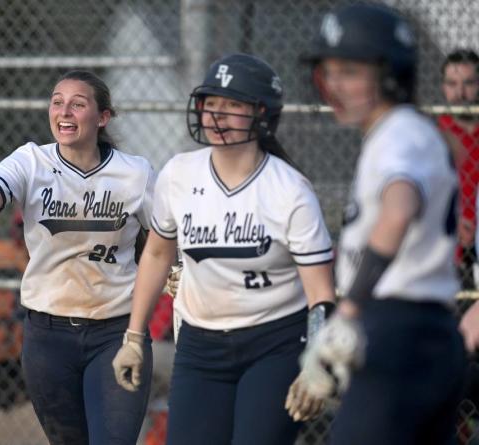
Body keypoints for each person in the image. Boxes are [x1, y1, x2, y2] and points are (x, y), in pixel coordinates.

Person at [112, 53, 336, 444]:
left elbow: (320, 293)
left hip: (275, 344)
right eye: (210, 104)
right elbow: (157, 254)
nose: (216, 116)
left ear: (262, 114)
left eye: (232, 105)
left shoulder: (289, 189)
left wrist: (318, 362)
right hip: (200, 345)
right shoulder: (179, 174)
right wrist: (134, 337)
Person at [295, 3, 467, 445]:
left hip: (396, 326)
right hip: (420, 333)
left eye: (351, 72)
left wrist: (348, 314)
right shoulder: (399, 132)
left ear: (390, 73)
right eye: (330, 73)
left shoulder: (398, 132)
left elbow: (399, 206)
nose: (335, 85)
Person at [0, 70, 156, 444]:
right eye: (57, 101)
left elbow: (164, 240)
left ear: (103, 117)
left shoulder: (135, 173)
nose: (64, 111)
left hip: (115, 332)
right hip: (48, 337)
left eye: (78, 104)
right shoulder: (30, 161)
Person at [439, 49, 479, 289]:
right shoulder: (434, 134)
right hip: (446, 251)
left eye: (469, 83)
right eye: (452, 84)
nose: (460, 93)